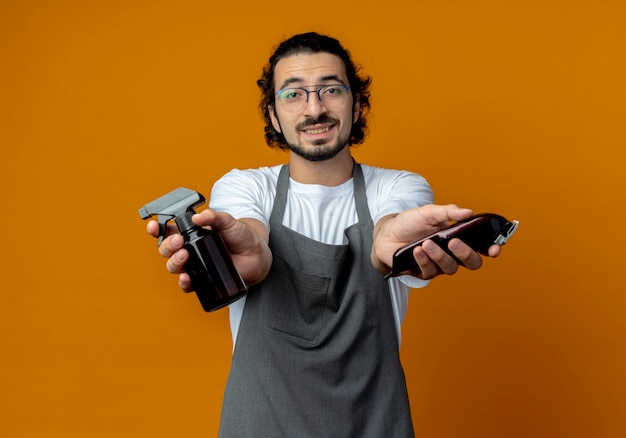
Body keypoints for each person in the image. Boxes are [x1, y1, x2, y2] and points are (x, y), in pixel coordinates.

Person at [147, 32, 501, 438]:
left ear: (356, 103)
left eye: (331, 90)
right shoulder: (246, 188)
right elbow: (253, 238)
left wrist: (389, 243)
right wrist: (252, 257)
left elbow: (390, 228)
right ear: (274, 115)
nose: (315, 109)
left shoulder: (400, 187)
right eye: (293, 94)